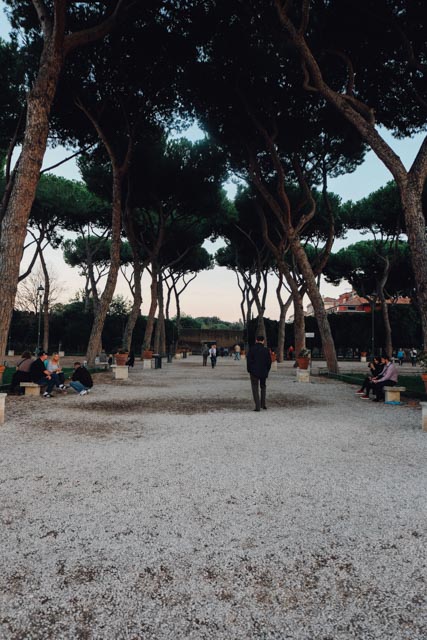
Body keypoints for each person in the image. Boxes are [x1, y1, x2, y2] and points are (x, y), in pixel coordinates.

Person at [246, 335, 271, 412]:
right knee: (263, 387)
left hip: (254, 372)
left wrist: (249, 370)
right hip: (263, 371)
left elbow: (249, 361)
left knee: (255, 388)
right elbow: (269, 362)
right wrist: (267, 370)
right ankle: (263, 404)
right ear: (263, 341)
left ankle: (257, 406)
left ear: (256, 340)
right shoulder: (266, 350)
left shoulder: (252, 349)